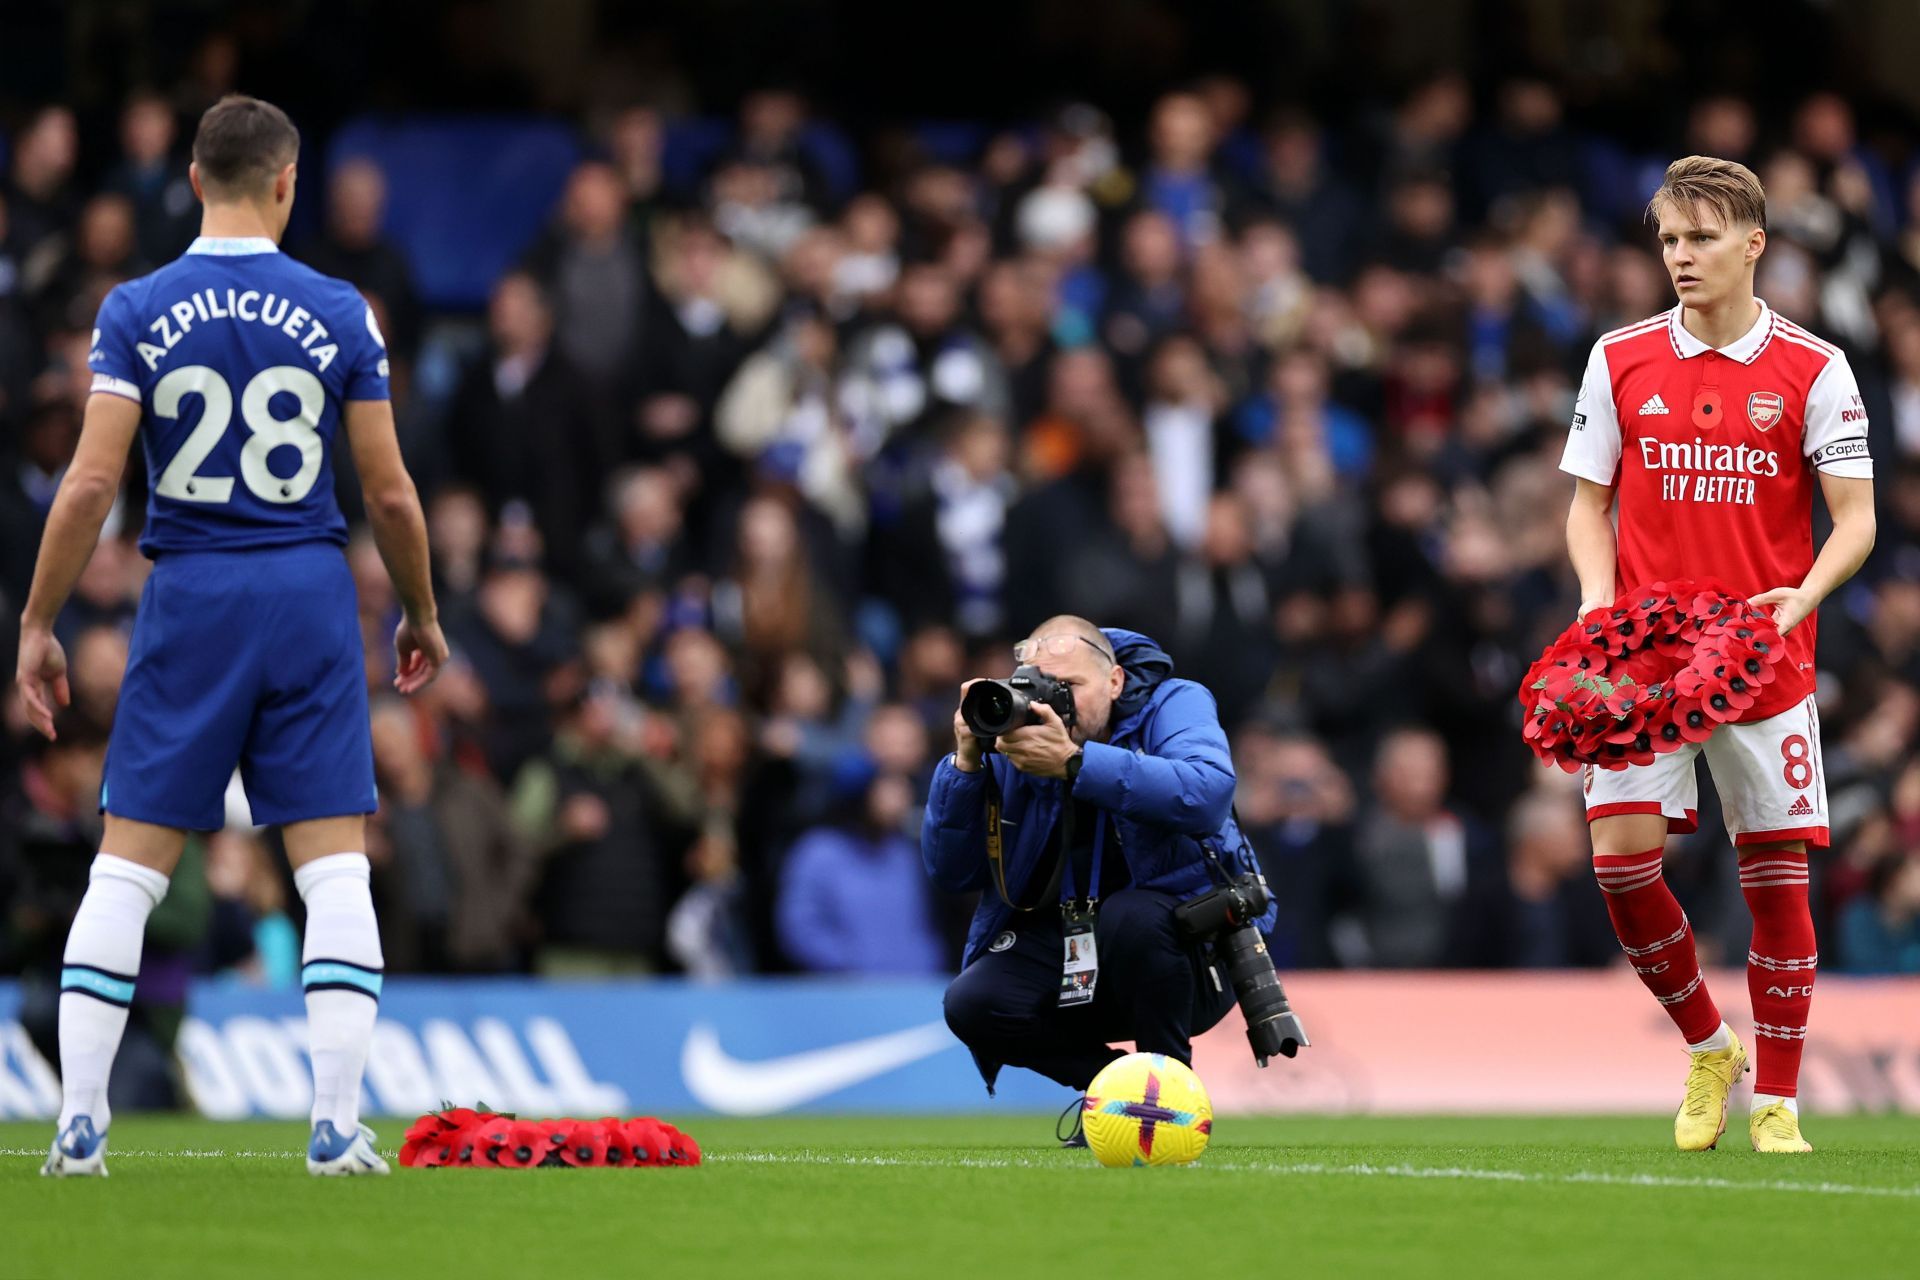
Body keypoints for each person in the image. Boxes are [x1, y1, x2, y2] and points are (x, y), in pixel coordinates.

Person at [14, 95, 448, 1178]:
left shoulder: (136, 308)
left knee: (127, 870)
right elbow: (389, 493)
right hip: (305, 587)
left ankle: (78, 1123)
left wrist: (37, 619)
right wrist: (423, 609)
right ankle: (337, 1126)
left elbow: (94, 481)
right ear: (288, 184)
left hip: (191, 586)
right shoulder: (343, 308)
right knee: (334, 870)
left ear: (197, 180)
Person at [1559, 156, 1875, 1154]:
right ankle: (1708, 1043)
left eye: (1699, 238)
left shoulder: (1816, 367)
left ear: (1754, 245)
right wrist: (1597, 604)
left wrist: (1806, 596)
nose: (1680, 256)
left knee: (1776, 877)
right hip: (1645, 660)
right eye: (1667, 239)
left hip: (1761, 654)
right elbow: (1588, 504)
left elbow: (1857, 517)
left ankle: (1777, 1099)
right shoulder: (1618, 357)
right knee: (1619, 864)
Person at [924, 615, 1274, 1146]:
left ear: (1115, 682)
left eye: (1071, 687)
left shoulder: (1174, 701)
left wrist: (1075, 763)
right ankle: (1123, 1097)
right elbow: (952, 872)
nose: (1054, 701)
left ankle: (1171, 1085)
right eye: (1040, 686)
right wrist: (966, 764)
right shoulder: (1015, 739)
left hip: (1189, 957)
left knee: (1130, 915)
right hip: (1075, 951)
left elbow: (1205, 794)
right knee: (972, 1004)